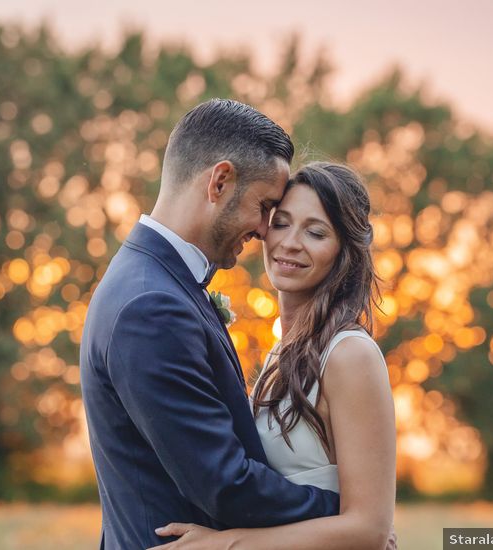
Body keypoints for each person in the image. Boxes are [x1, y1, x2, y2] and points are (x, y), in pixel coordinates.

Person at [80, 100, 340, 549]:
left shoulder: (150, 281)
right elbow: (225, 484)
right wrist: (343, 514)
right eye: (265, 207)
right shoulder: (152, 306)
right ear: (220, 182)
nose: (264, 230)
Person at [150, 163, 398, 549]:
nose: (291, 242)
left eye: (316, 232)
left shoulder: (350, 355)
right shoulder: (281, 353)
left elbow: (369, 529)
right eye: (281, 223)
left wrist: (225, 544)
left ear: (344, 250)